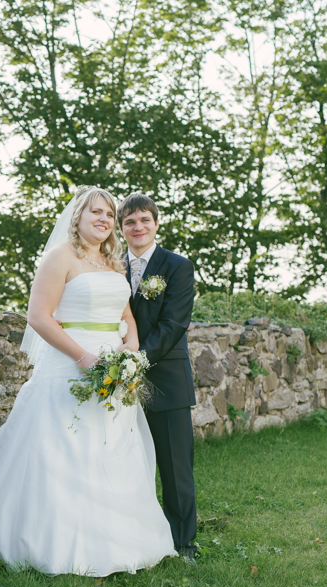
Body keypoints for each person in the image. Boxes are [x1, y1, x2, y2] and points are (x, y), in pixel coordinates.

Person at [0, 187, 177, 576]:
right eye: (96, 213)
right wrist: (84, 357)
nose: (104, 220)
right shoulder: (59, 257)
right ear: (77, 217)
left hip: (114, 371)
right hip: (71, 364)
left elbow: (127, 316)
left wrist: (130, 352)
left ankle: (116, 541)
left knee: (109, 449)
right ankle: (51, 544)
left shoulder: (113, 262)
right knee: (64, 449)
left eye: (109, 214)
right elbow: (39, 317)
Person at [119, 193, 198, 562]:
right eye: (130, 222)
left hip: (165, 378)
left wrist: (135, 362)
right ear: (121, 228)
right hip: (115, 383)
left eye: (144, 220)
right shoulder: (108, 266)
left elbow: (173, 325)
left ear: (156, 223)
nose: (138, 227)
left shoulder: (178, 266)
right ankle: (134, 536)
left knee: (174, 465)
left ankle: (183, 542)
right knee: (123, 462)